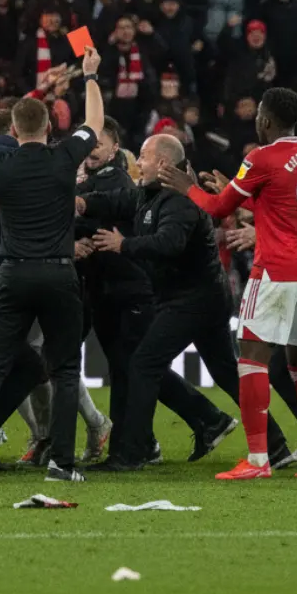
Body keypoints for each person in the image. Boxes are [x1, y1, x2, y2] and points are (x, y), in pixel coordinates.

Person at [159, 87, 297, 481]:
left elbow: (219, 210)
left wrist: (189, 188)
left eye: (259, 116)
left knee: (251, 359)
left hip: (275, 270)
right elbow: (281, 204)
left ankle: (257, 461)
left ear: (266, 121)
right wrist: (234, 193)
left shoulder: (261, 157)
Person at [0, 46, 104, 484]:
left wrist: (9, 202)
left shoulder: (0, 164)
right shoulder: (63, 158)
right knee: (64, 369)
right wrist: (90, 76)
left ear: (14, 130)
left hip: (13, 272)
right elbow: (94, 125)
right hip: (58, 273)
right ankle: (61, 464)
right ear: (52, 126)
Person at [77, 133, 253, 471]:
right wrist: (84, 203)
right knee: (225, 372)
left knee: (143, 364)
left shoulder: (180, 200)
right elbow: (121, 200)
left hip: (192, 299)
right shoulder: (151, 193)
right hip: (193, 296)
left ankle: (134, 452)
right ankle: (273, 444)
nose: (137, 163)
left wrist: (124, 244)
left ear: (162, 163)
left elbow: (168, 243)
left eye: (142, 156)